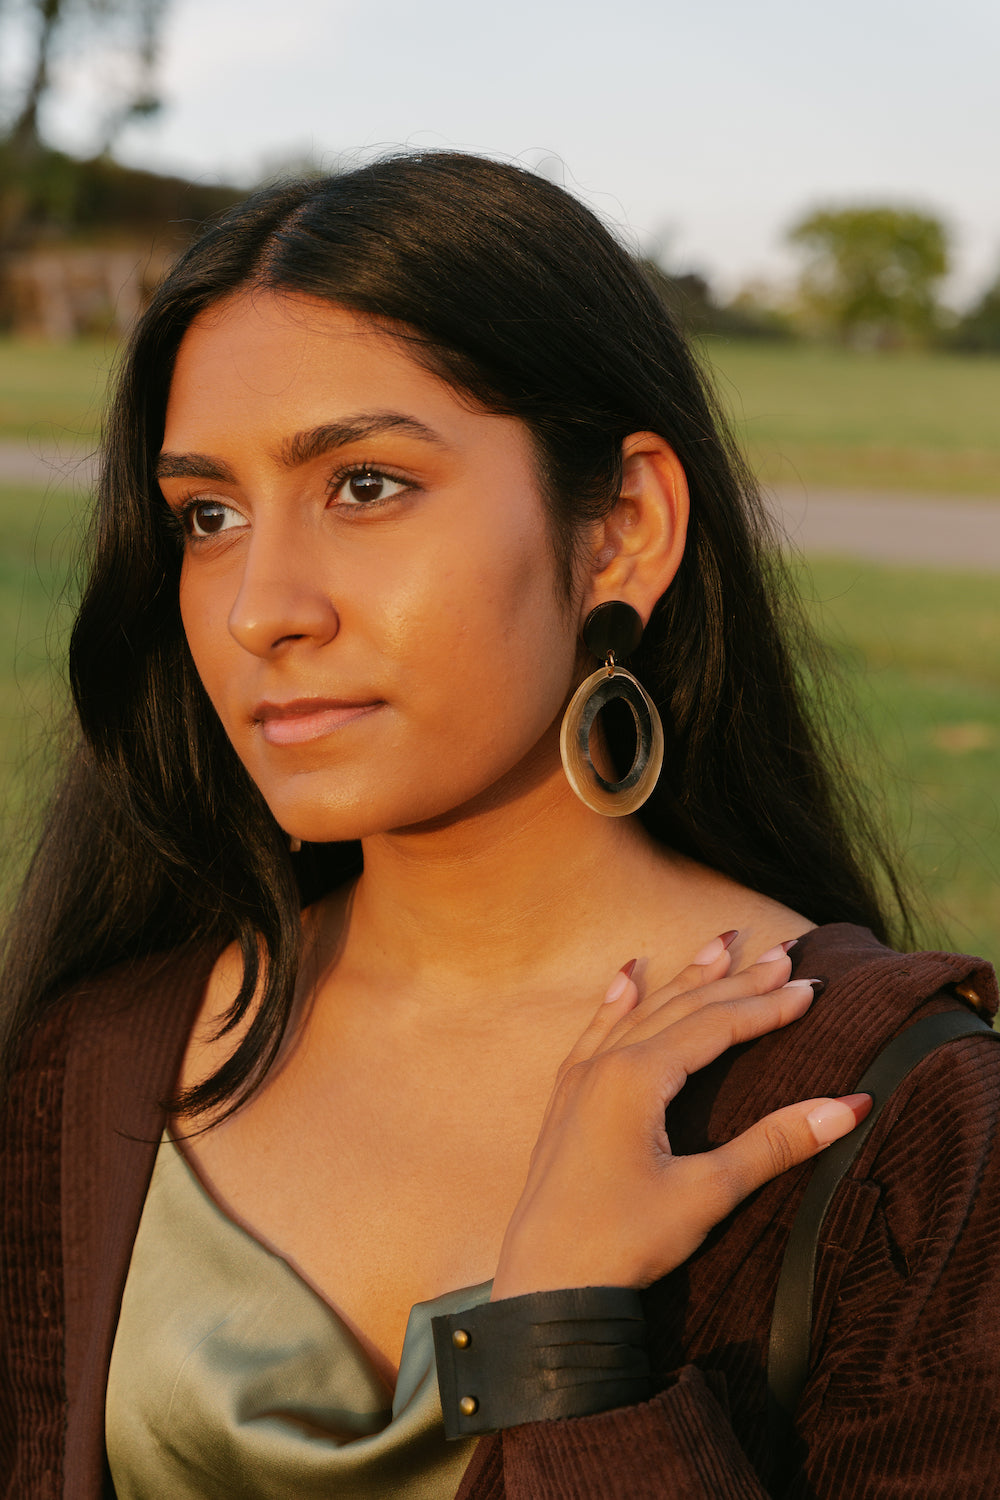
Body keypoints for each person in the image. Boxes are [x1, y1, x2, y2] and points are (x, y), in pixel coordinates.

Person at [1, 151, 998, 1500]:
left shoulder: (904, 1120)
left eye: (365, 486)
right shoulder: (92, 1065)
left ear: (622, 529)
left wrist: (569, 1354)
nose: (259, 609)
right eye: (209, 516)